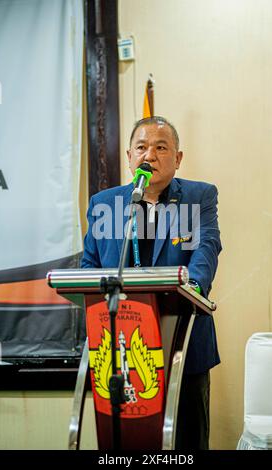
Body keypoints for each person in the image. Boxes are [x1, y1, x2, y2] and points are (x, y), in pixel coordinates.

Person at [81, 116, 222, 449]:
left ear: (178, 158)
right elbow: (89, 266)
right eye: (141, 147)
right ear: (130, 156)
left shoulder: (199, 196)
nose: (150, 156)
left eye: (161, 147)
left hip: (182, 346)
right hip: (121, 349)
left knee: (187, 442)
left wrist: (194, 289)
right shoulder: (104, 204)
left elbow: (207, 246)